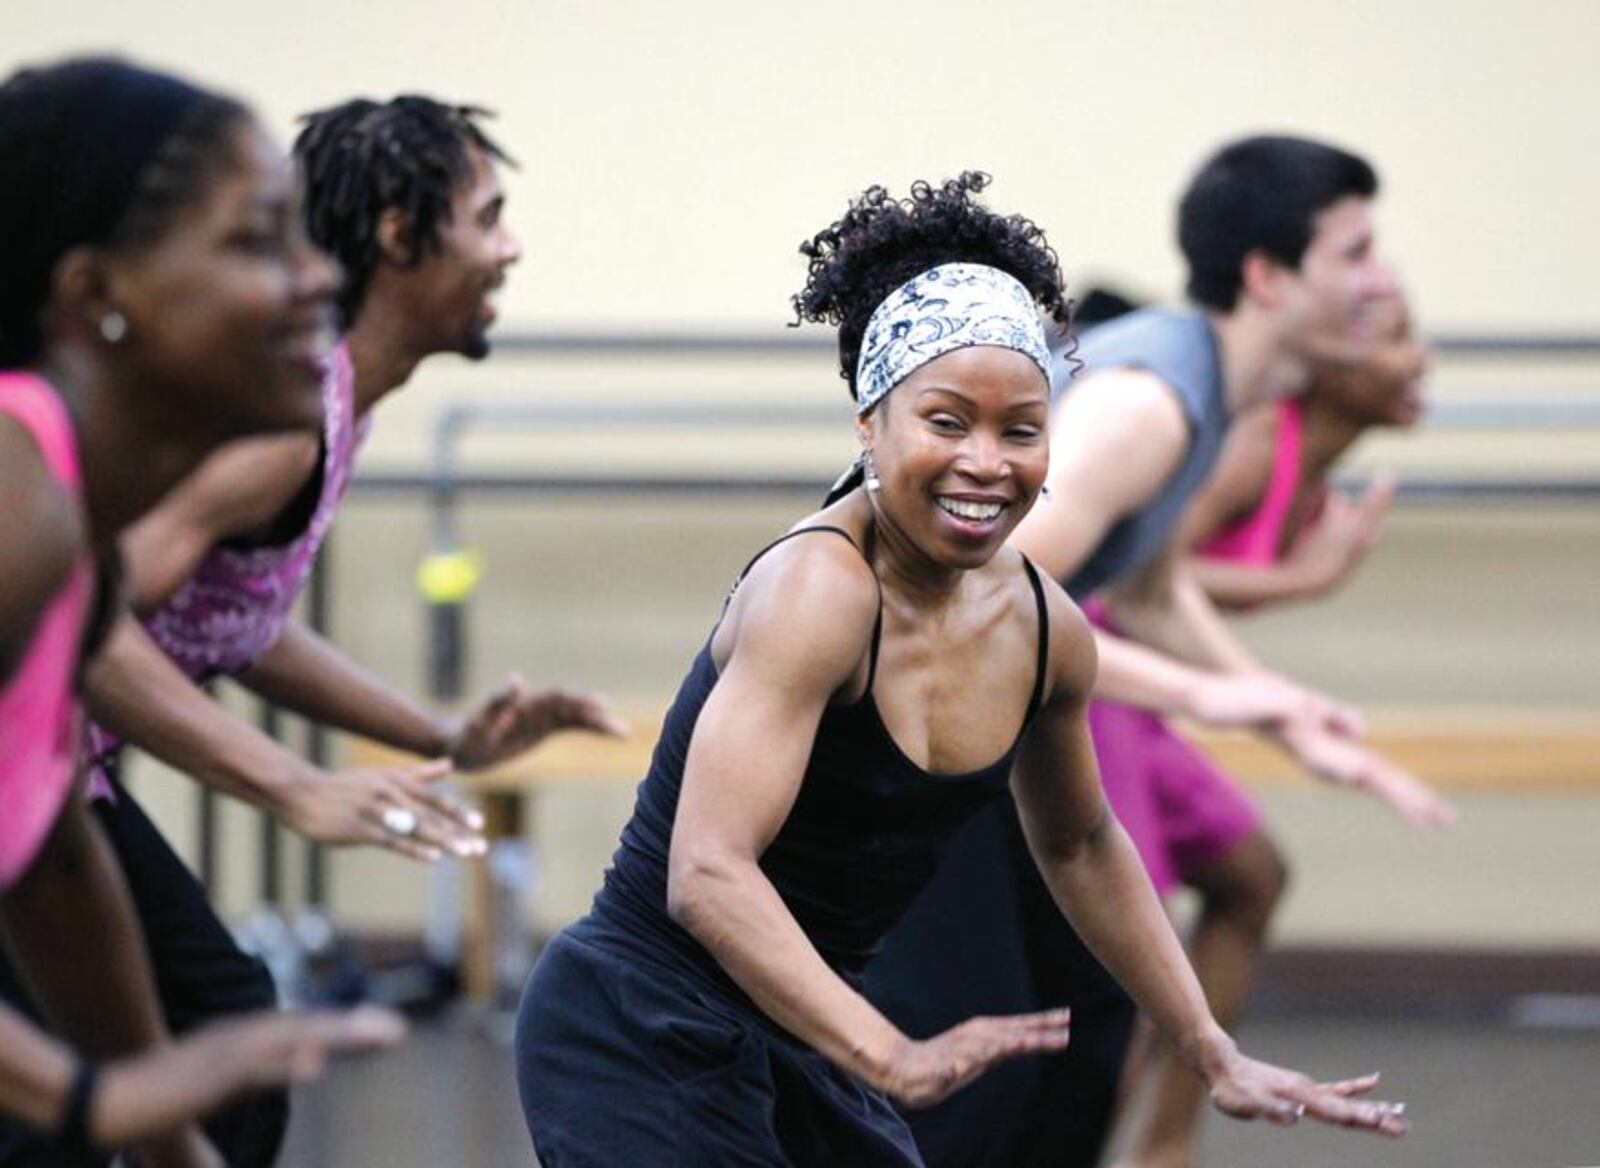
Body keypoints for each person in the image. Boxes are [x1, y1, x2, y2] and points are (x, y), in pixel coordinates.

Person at [514, 172, 1407, 1167]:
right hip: (641, 1023)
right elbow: (708, 873)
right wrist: (886, 1051)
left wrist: (1207, 1047)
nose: (987, 462)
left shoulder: (1039, 623)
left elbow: (1079, 842)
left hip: (797, 1030)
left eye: (1020, 431)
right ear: (871, 422)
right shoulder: (820, 591)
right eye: (946, 422)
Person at [0, 95, 620, 1168]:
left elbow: (236, 622)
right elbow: (92, 634)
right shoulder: (253, 431)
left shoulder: (321, 408)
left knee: (196, 1037)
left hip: (55, 785)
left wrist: (440, 735)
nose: (508, 248)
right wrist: (291, 784)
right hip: (53, 774)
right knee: (186, 1034)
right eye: (488, 217)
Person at [864, 137, 1439, 1168]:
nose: (1380, 280)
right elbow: (987, 600)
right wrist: (1203, 696)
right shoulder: (1151, 402)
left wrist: (1271, 704)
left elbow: (1148, 584)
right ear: (1268, 276)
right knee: (980, 1055)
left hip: (976, 718)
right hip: (908, 722)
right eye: (1353, 253)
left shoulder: (1205, 389)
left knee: (1088, 1019)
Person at [0, 56, 403, 1167]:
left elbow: (51, 860)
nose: (318, 280)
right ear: (95, 295)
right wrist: (83, 1100)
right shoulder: (16, 501)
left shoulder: (70, 528)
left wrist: (172, 1135)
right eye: (254, 240)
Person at [1095, 290, 1449, 1168]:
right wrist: (1303, 583)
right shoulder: (1256, 441)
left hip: (1143, 689)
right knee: (1126, 946)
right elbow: (1139, 567)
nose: (1421, 362)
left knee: (1251, 877)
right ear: (1335, 366)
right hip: (1096, 669)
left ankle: (1166, 1146)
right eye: (1398, 343)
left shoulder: (1312, 463)